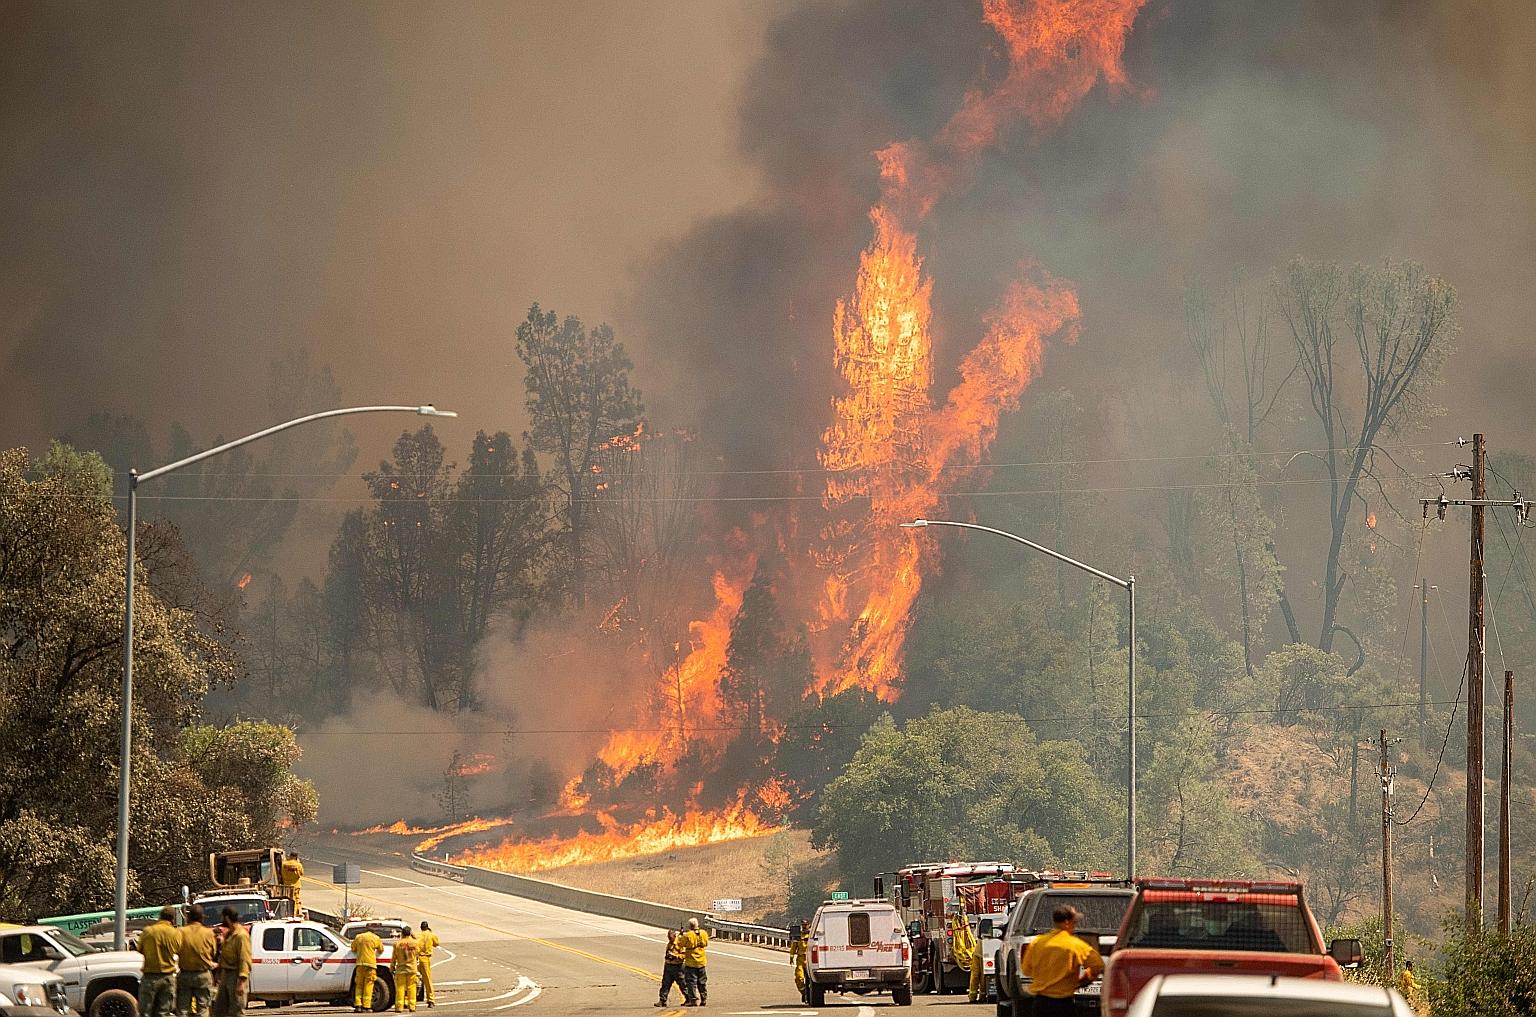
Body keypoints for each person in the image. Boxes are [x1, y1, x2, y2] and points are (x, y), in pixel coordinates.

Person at [1020, 905, 1103, 1017]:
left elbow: (1026, 970)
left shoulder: (1037, 943)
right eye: (1074, 922)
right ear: (1067, 922)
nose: (1075, 925)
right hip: (1063, 1004)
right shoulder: (1075, 945)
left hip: (1040, 1003)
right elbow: (1098, 965)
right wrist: (1084, 980)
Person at [137, 906, 182, 1017]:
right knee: (164, 1012)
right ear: (173, 919)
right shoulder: (176, 933)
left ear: (160, 917)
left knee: (145, 1012)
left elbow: (140, 949)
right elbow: (178, 950)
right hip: (168, 977)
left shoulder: (148, 931)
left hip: (149, 977)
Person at [177, 905, 218, 1017]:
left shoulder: (181, 932)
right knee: (203, 1008)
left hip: (185, 974)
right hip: (203, 974)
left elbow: (175, 950)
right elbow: (213, 952)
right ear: (202, 918)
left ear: (188, 917)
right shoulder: (208, 933)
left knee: (182, 1009)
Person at [211, 908, 251, 1017]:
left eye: (222, 917)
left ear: (227, 918)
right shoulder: (229, 934)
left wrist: (241, 981)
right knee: (219, 1010)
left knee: (236, 1010)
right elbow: (223, 956)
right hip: (226, 975)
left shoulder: (241, 936)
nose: (221, 920)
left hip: (236, 976)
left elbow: (245, 958)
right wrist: (218, 974)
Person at [349, 925, 385, 1013]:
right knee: (369, 985)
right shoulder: (376, 938)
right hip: (370, 964)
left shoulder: (359, 937)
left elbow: (353, 948)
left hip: (360, 964)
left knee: (359, 985)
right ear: (373, 932)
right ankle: (367, 1006)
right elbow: (381, 949)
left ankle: (358, 1005)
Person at [679, 917, 709, 1007]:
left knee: (691, 982)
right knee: (702, 982)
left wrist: (681, 935)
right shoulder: (703, 933)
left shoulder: (688, 935)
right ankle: (704, 999)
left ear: (690, 925)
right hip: (701, 962)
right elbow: (706, 943)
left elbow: (681, 944)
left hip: (691, 963)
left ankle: (693, 1000)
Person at [655, 929, 687, 1008]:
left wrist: (675, 956)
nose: (669, 939)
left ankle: (689, 998)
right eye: (668, 937)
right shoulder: (669, 944)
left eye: (671, 937)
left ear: (675, 936)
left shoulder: (679, 944)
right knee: (665, 984)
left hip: (677, 967)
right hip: (668, 966)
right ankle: (662, 1000)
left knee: (682, 984)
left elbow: (684, 956)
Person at [391, 929, 420, 1013]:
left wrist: (392, 967)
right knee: (412, 987)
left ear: (402, 934)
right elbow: (418, 952)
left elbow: (394, 957)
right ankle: (412, 1006)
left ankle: (399, 1007)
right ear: (410, 933)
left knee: (400, 988)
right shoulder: (415, 943)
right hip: (412, 968)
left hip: (401, 969)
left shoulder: (397, 944)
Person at [416, 922, 440, 1008]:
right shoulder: (431, 935)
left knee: (413, 979)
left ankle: (409, 999)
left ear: (421, 927)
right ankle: (431, 1000)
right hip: (426, 958)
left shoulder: (417, 935)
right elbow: (436, 944)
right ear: (427, 927)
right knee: (428, 980)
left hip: (417, 959)